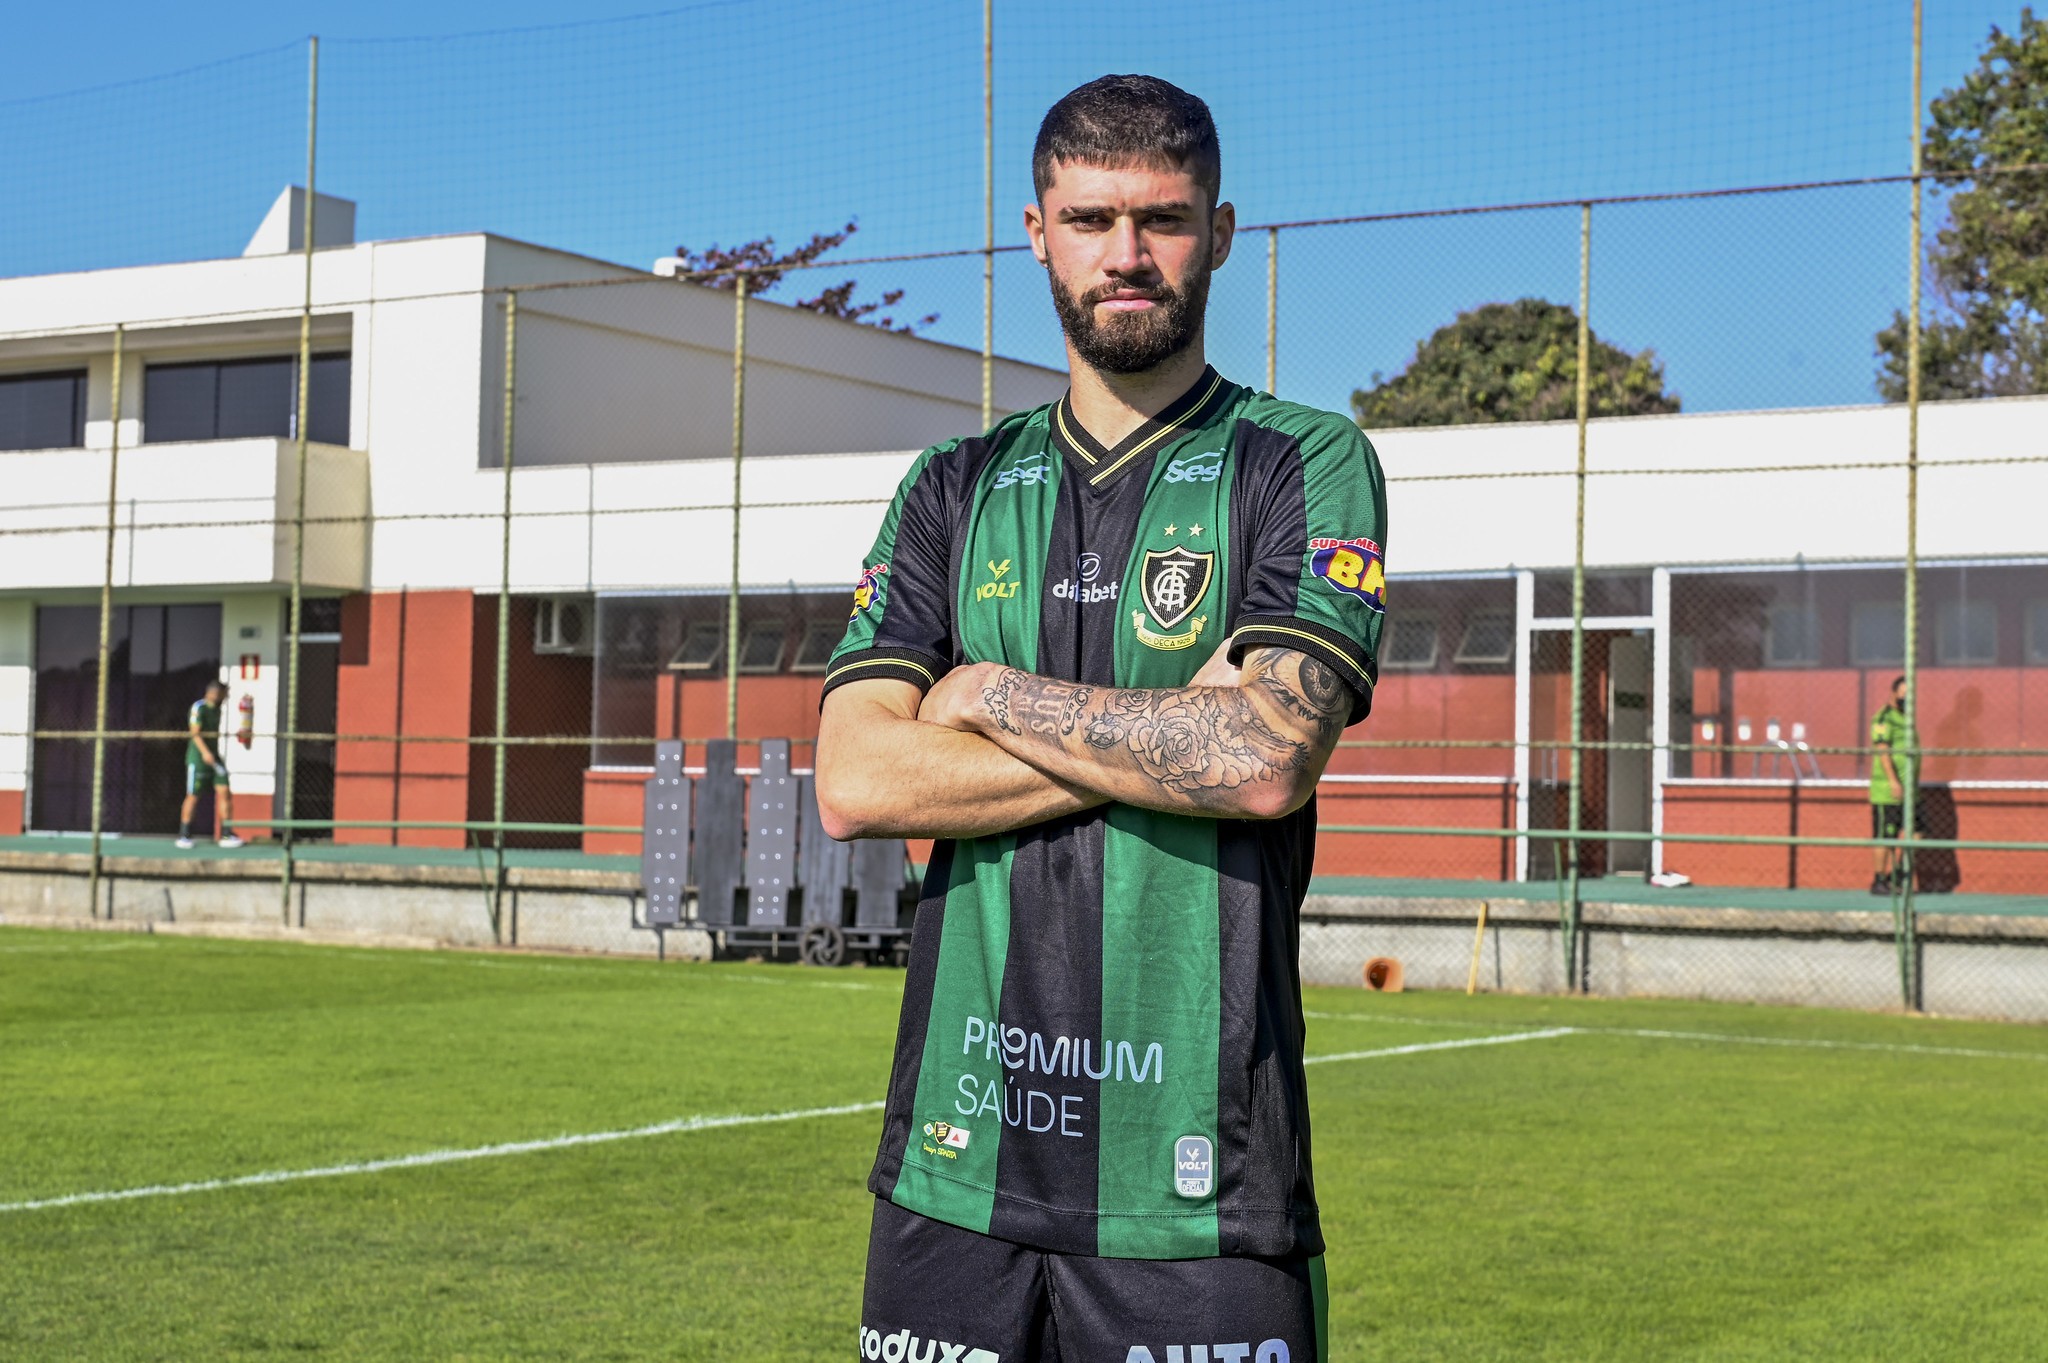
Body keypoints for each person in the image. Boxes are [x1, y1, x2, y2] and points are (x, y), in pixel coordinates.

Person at [816, 76, 1385, 1362]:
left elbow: (1261, 758)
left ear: (1220, 232)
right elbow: (853, 778)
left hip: (1201, 1192)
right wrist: (1169, 732)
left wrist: (984, 698)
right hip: (951, 1177)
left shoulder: (1299, 461)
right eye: (1090, 219)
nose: (1125, 256)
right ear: (1035, 231)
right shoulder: (949, 489)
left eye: (1161, 220)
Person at [178, 679, 244, 850]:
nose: (225, 697)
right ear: (214, 693)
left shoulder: (219, 709)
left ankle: (226, 833)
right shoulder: (198, 707)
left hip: (215, 758)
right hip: (199, 759)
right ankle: (184, 835)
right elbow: (195, 733)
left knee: (225, 791)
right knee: (193, 795)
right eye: (223, 694)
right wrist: (205, 752)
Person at [1869, 673, 1913, 894]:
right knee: (1885, 836)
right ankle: (1879, 880)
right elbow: (1883, 751)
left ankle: (1898, 875)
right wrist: (1893, 781)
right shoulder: (1883, 718)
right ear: (1894, 693)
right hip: (1888, 790)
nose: (1906, 698)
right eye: (1903, 693)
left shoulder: (1908, 717)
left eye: (1910, 694)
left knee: (1918, 831)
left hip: (1911, 791)